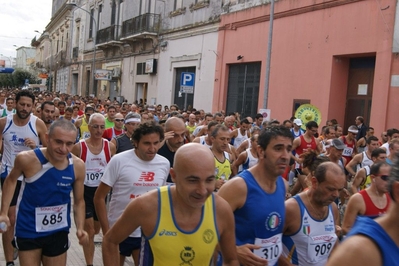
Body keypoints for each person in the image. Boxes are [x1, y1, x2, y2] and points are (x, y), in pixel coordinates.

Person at [102, 143, 239, 266]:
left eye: (209, 180)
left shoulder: (220, 209)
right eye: (192, 180)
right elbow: (110, 241)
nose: (202, 191)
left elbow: (231, 260)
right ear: (173, 176)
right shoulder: (147, 206)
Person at [0, 119, 88, 266]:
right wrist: (3, 213)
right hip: (28, 228)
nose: (63, 149)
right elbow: (10, 181)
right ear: (47, 138)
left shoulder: (78, 166)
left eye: (69, 144)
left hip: (58, 230)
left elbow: (79, 201)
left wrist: (80, 228)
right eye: (58, 142)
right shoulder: (27, 159)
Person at [94, 121, 170, 266]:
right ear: (135, 142)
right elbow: (99, 197)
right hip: (119, 228)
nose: (152, 148)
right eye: (147, 143)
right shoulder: (119, 160)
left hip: (146, 232)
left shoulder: (164, 163)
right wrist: (106, 231)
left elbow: (160, 199)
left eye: (156, 143)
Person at [217, 126, 293, 266]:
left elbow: (271, 239)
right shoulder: (238, 187)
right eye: (278, 148)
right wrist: (233, 250)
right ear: (260, 151)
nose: (285, 156)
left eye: (288, 149)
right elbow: (206, 231)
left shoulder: (283, 185)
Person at [0, 90, 48, 266]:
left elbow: (49, 150)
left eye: (28, 105)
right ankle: (9, 261)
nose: (25, 108)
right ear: (15, 104)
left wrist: (37, 146)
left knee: (28, 216)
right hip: (9, 174)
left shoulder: (38, 124)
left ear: (33, 106)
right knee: (9, 218)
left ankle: (26, 248)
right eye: (22, 104)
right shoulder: (4, 122)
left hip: (31, 177)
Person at [326, 158, 399, 266]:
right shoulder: (359, 251)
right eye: (384, 178)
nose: (387, 182)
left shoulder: (389, 199)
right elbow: (346, 227)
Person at [71, 113, 116, 266]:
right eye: (95, 127)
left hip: (102, 194)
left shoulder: (110, 147)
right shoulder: (79, 146)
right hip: (84, 192)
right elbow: (70, 165)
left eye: (102, 127)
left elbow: (113, 169)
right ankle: (89, 263)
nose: (98, 130)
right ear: (89, 127)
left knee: (96, 229)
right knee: (89, 230)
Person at [280, 162, 345, 266]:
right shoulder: (291, 209)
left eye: (339, 190)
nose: (336, 195)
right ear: (314, 182)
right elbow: (270, 244)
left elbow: (333, 244)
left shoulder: (333, 208)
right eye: (331, 189)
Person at [341, 161, 391, 236]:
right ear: (373, 178)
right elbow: (346, 228)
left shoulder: (392, 198)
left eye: (391, 178)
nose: (389, 182)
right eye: (385, 178)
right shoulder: (358, 199)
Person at [291, 121, 321, 195]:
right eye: (312, 130)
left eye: (315, 131)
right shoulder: (298, 140)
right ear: (307, 129)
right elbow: (287, 151)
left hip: (309, 167)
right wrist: (297, 159)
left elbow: (319, 153)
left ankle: (289, 198)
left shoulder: (316, 140)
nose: (314, 133)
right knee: (307, 186)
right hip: (299, 166)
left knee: (297, 187)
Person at [157, 117, 186, 184]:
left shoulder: (187, 149)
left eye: (182, 134)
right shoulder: (159, 148)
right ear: (166, 133)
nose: (180, 139)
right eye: (175, 135)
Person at [211, 125, 233, 190]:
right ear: (212, 139)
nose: (225, 143)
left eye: (228, 139)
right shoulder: (206, 156)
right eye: (222, 139)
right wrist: (213, 184)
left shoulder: (229, 157)